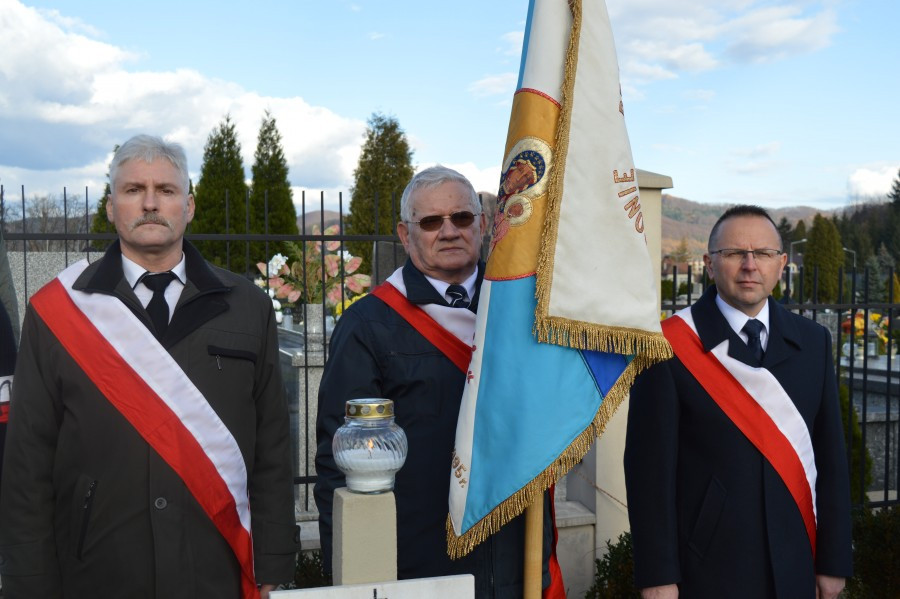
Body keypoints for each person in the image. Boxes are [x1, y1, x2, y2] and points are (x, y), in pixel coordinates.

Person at [0, 135, 298, 598]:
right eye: (134, 189)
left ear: (189, 206)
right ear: (111, 206)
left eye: (167, 190)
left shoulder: (247, 307)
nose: (151, 203)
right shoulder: (58, 313)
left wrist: (275, 558)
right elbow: (27, 459)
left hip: (214, 566)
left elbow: (273, 447)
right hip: (98, 570)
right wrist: (29, 581)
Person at [315, 166, 554, 596]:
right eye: (430, 222)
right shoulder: (369, 324)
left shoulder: (523, 310)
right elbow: (339, 460)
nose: (448, 231)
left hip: (518, 553)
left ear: (482, 225)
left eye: (461, 218)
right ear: (406, 236)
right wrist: (353, 575)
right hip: (420, 563)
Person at [624, 205, 853, 599]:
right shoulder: (667, 346)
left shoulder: (813, 342)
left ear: (781, 264)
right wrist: (658, 575)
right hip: (709, 569)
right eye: (734, 254)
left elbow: (831, 457)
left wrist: (832, 561)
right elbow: (649, 471)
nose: (750, 265)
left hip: (796, 560)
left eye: (762, 254)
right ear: (709, 264)